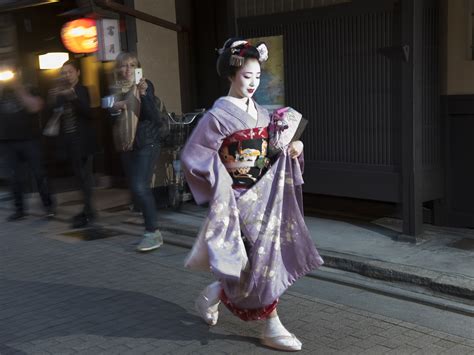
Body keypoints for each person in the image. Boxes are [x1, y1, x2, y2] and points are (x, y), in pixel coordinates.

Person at [181, 38, 324, 351]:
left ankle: (215, 292)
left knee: (260, 259)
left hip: (264, 193)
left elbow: (273, 151)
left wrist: (293, 149)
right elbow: (194, 156)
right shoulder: (216, 117)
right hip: (235, 198)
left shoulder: (261, 112)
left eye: (257, 77)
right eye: (247, 76)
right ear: (231, 75)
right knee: (260, 259)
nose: (253, 83)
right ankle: (270, 325)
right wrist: (221, 181)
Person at [108, 52, 163, 252]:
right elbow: (109, 116)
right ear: (118, 69)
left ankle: (153, 232)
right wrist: (115, 108)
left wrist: (145, 94)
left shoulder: (145, 85)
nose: (128, 69)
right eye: (124, 65)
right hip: (126, 144)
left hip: (146, 143)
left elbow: (153, 117)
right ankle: (150, 228)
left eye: (132, 65)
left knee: (140, 186)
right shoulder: (115, 90)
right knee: (136, 187)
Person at [0, 66, 55, 221]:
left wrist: (17, 86)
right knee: (14, 177)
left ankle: (48, 207)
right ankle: (19, 210)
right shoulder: (2, 92)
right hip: (7, 142)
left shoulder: (28, 88)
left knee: (39, 174)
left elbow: (35, 107)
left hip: (29, 140)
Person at [49, 60, 97, 228]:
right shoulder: (61, 93)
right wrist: (56, 98)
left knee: (85, 177)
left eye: (69, 72)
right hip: (69, 141)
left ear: (77, 72)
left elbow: (88, 113)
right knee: (79, 178)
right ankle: (88, 210)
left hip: (83, 141)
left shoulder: (83, 90)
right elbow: (56, 114)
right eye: (63, 72)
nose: (66, 75)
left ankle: (89, 212)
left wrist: (73, 96)